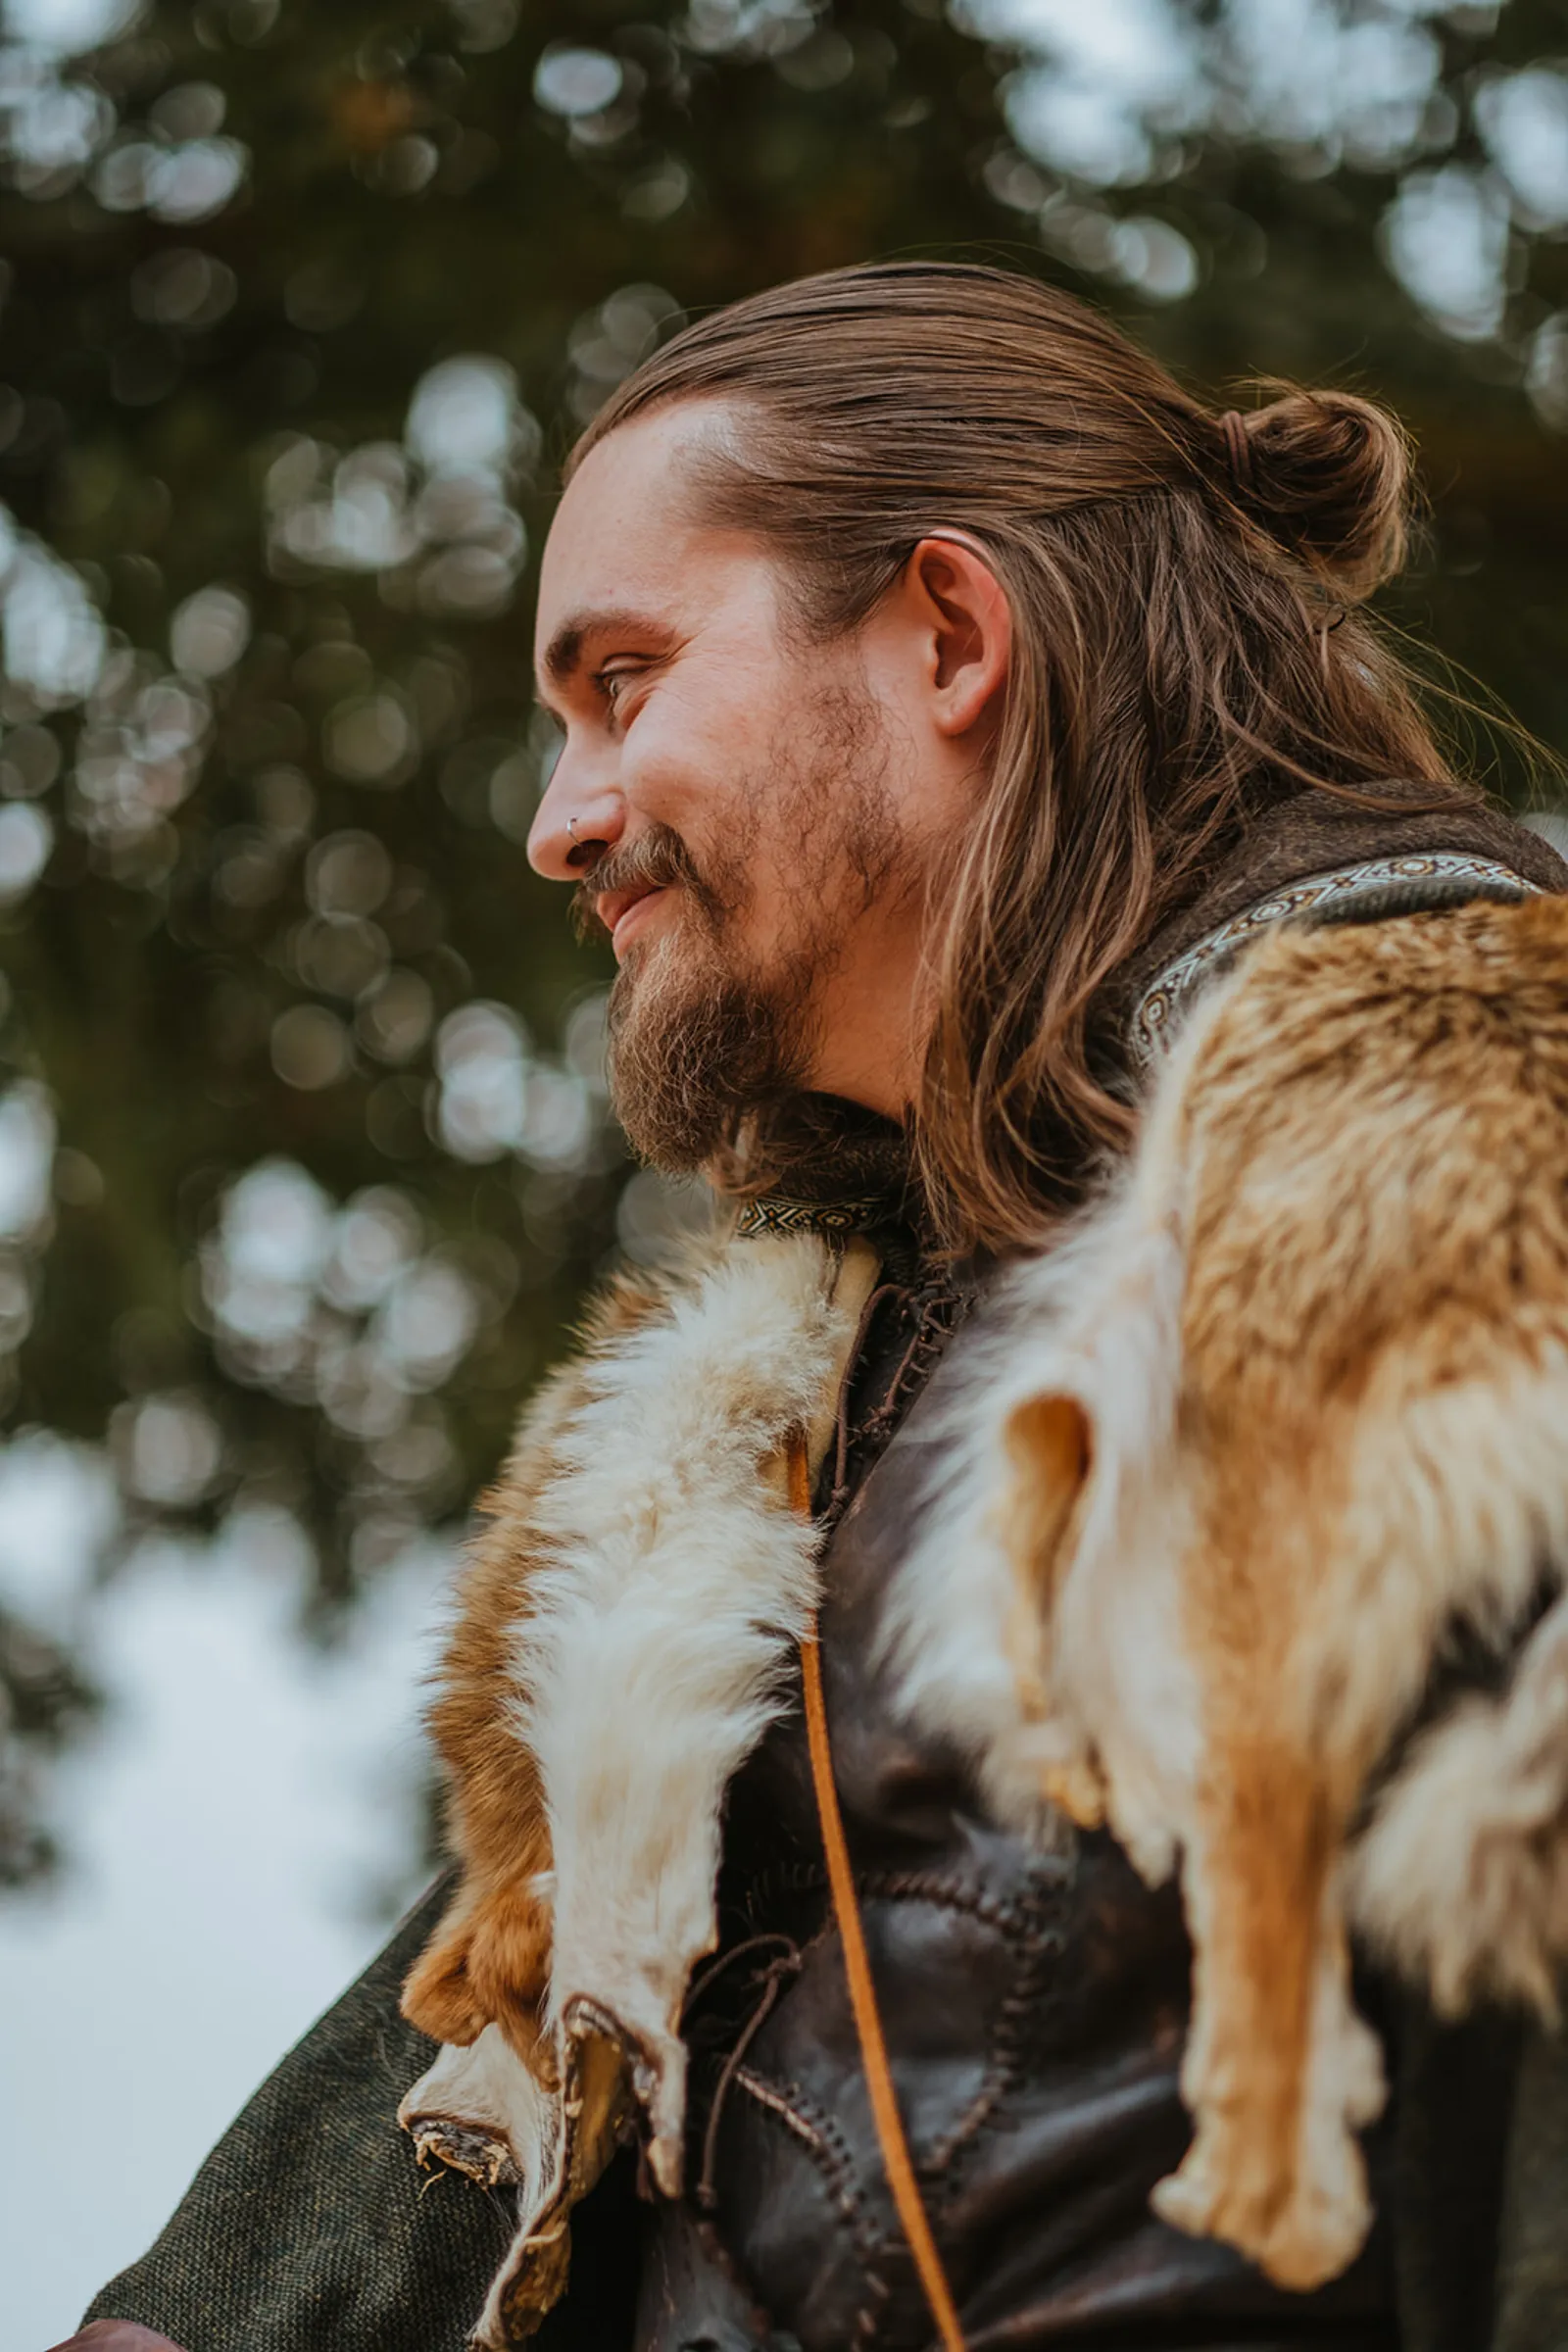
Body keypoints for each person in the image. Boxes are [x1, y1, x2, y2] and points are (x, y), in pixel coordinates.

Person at [63, 262, 1568, 2352]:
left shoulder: (1485, 1157)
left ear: (948, 634)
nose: (556, 819)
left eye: (622, 676)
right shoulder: (781, 1421)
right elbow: (427, 2122)